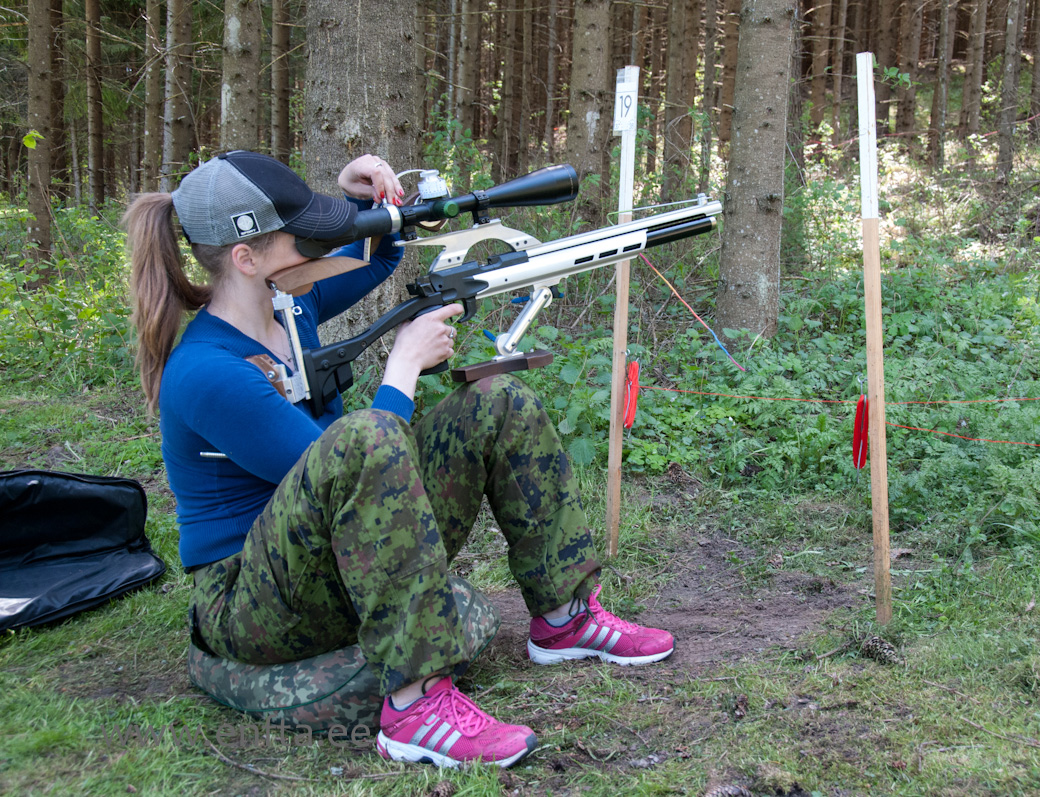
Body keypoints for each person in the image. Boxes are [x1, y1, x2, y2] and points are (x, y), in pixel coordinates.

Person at [123, 150, 674, 769]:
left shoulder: (289, 306)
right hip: (252, 601)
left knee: (499, 399)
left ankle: (565, 618)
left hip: (324, 562)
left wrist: (361, 200)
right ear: (248, 259)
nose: (320, 245)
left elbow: (379, 255)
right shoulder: (206, 371)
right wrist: (404, 367)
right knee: (367, 436)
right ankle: (415, 710)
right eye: (305, 236)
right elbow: (341, 464)